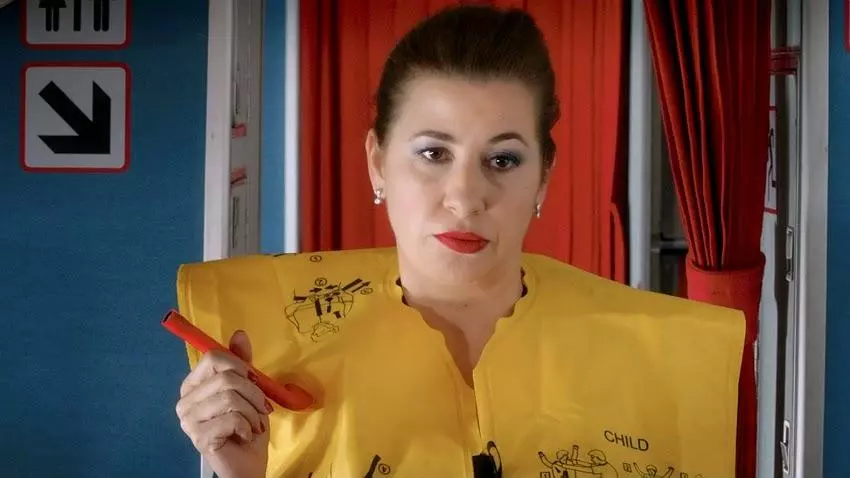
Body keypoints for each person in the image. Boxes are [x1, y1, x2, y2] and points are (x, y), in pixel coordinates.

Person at [173, 5, 744, 478]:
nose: (466, 198)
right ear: (377, 163)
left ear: (543, 177)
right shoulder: (271, 359)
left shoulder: (661, 361)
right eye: (433, 153)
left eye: (503, 160)